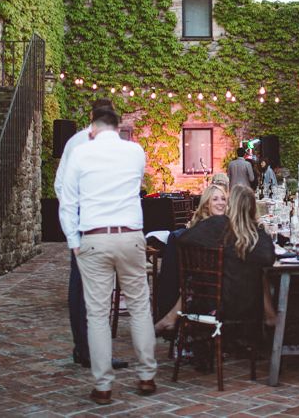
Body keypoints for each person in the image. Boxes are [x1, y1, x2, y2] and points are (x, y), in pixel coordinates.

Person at [59, 107, 157, 405]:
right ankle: (146, 376)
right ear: (119, 127)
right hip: (130, 236)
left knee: (98, 314)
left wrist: (74, 242)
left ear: (93, 129)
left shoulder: (80, 153)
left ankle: (103, 386)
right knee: (140, 307)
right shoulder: (135, 152)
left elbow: (67, 201)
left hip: (94, 237)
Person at [54, 98, 127, 371]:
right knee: (89, 288)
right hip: (90, 224)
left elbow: (61, 185)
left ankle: (85, 349)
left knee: (92, 288)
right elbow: (62, 185)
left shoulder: (84, 143)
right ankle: (89, 351)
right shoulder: (79, 143)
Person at [178, 185, 276, 325]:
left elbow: (183, 239)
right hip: (246, 307)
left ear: (230, 206)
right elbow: (269, 259)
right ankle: (270, 318)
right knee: (262, 275)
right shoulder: (256, 235)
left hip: (217, 300)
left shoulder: (220, 230)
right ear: (254, 208)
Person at [154, 183, 228, 333]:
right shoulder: (200, 231)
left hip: (214, 284)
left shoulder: (227, 227)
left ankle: (170, 317)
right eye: (215, 199)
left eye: (223, 199)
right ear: (206, 204)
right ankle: (171, 317)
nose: (220, 202)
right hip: (208, 287)